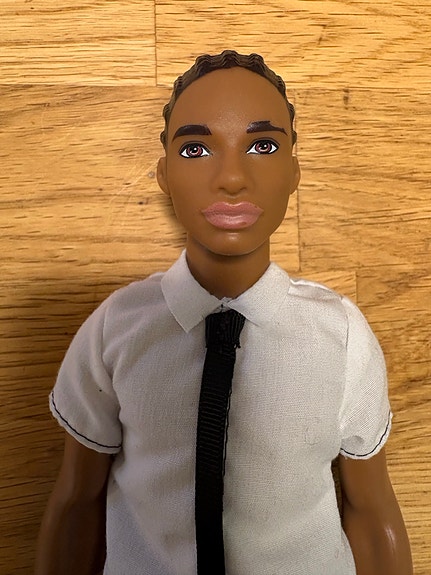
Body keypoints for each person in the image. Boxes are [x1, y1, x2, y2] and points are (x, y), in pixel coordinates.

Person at [35, 50, 413, 575]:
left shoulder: (340, 334)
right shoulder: (116, 328)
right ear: (164, 173)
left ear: (293, 170)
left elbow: (373, 512)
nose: (231, 177)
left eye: (263, 146)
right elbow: (77, 501)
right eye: (195, 149)